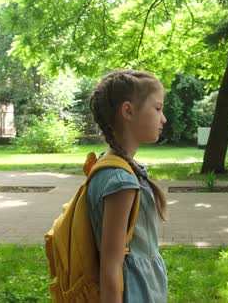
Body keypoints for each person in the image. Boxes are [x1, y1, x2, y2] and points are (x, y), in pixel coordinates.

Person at [87, 69, 168, 303]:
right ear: (128, 111)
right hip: (134, 292)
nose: (163, 118)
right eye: (158, 108)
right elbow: (110, 267)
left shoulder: (113, 165)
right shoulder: (120, 181)